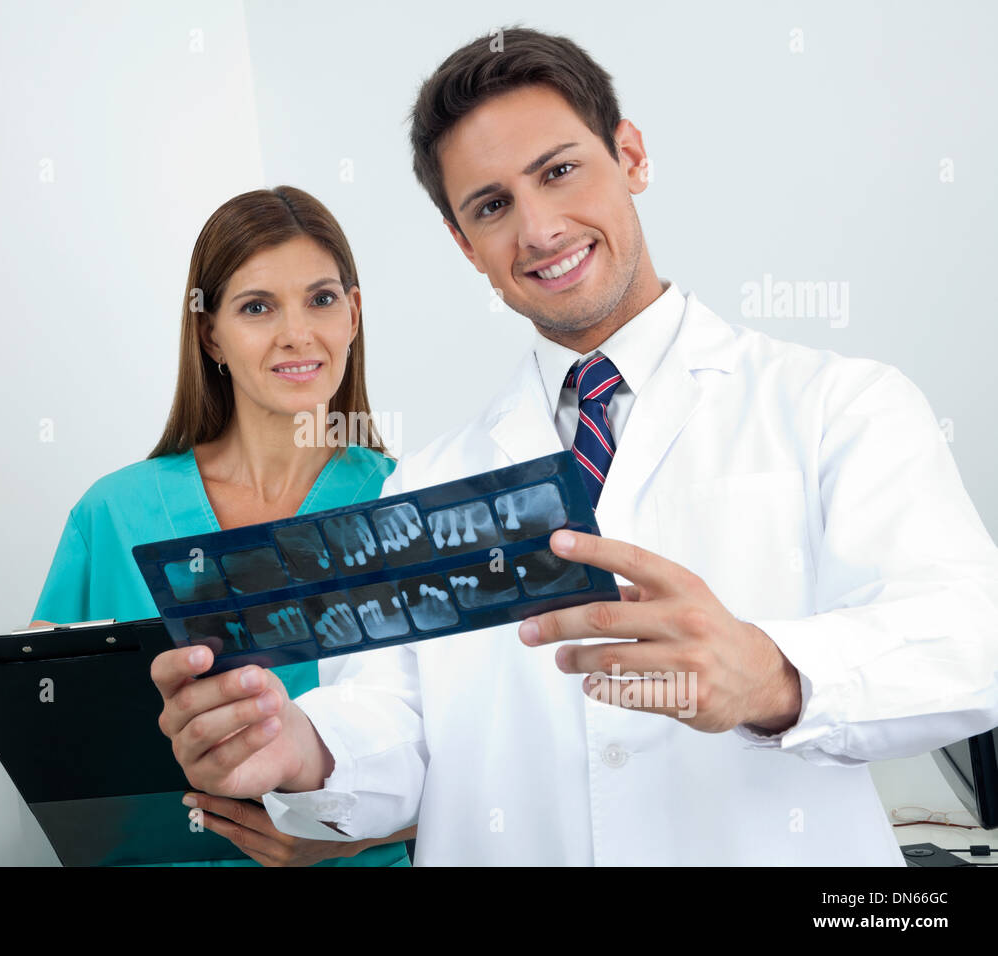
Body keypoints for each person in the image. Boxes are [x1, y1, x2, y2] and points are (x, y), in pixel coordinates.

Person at [150, 27, 998, 865]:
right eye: (491, 205)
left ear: (629, 155)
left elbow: (971, 645)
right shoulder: (430, 477)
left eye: (559, 170)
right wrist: (305, 751)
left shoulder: (837, 404)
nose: (540, 228)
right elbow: (391, 722)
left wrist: (773, 676)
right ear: (464, 243)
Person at [31, 185, 414, 867]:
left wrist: (347, 830)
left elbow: (477, 756)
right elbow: (55, 744)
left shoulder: (409, 504)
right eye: (257, 307)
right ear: (210, 332)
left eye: (321, 299)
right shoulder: (113, 513)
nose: (297, 333)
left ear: (353, 314)